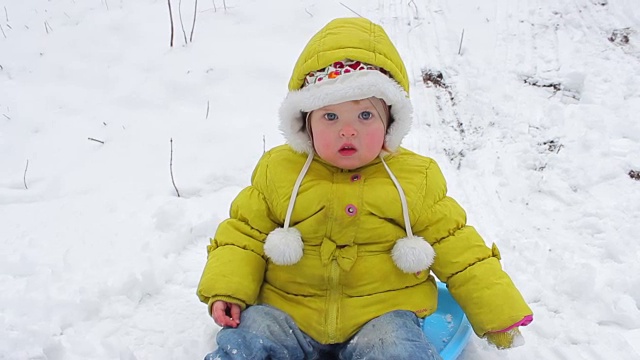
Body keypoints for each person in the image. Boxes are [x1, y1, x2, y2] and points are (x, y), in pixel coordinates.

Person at [197, 17, 533, 360]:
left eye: (365, 116)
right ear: (304, 121)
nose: (348, 131)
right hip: (287, 309)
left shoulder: (415, 178)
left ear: (391, 121)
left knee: (397, 348)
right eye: (330, 117)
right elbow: (244, 234)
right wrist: (228, 289)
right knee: (252, 337)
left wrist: (498, 313)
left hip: (382, 313)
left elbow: (460, 249)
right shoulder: (278, 170)